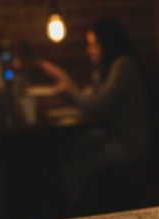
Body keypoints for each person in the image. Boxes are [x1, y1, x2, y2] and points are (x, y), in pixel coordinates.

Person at [39, 18, 150, 203]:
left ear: (108, 44)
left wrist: (69, 87)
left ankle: (79, 214)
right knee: (73, 147)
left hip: (129, 144)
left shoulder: (123, 66)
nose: (89, 50)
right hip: (113, 136)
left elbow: (97, 104)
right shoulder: (109, 67)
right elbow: (93, 96)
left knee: (70, 171)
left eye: (94, 45)